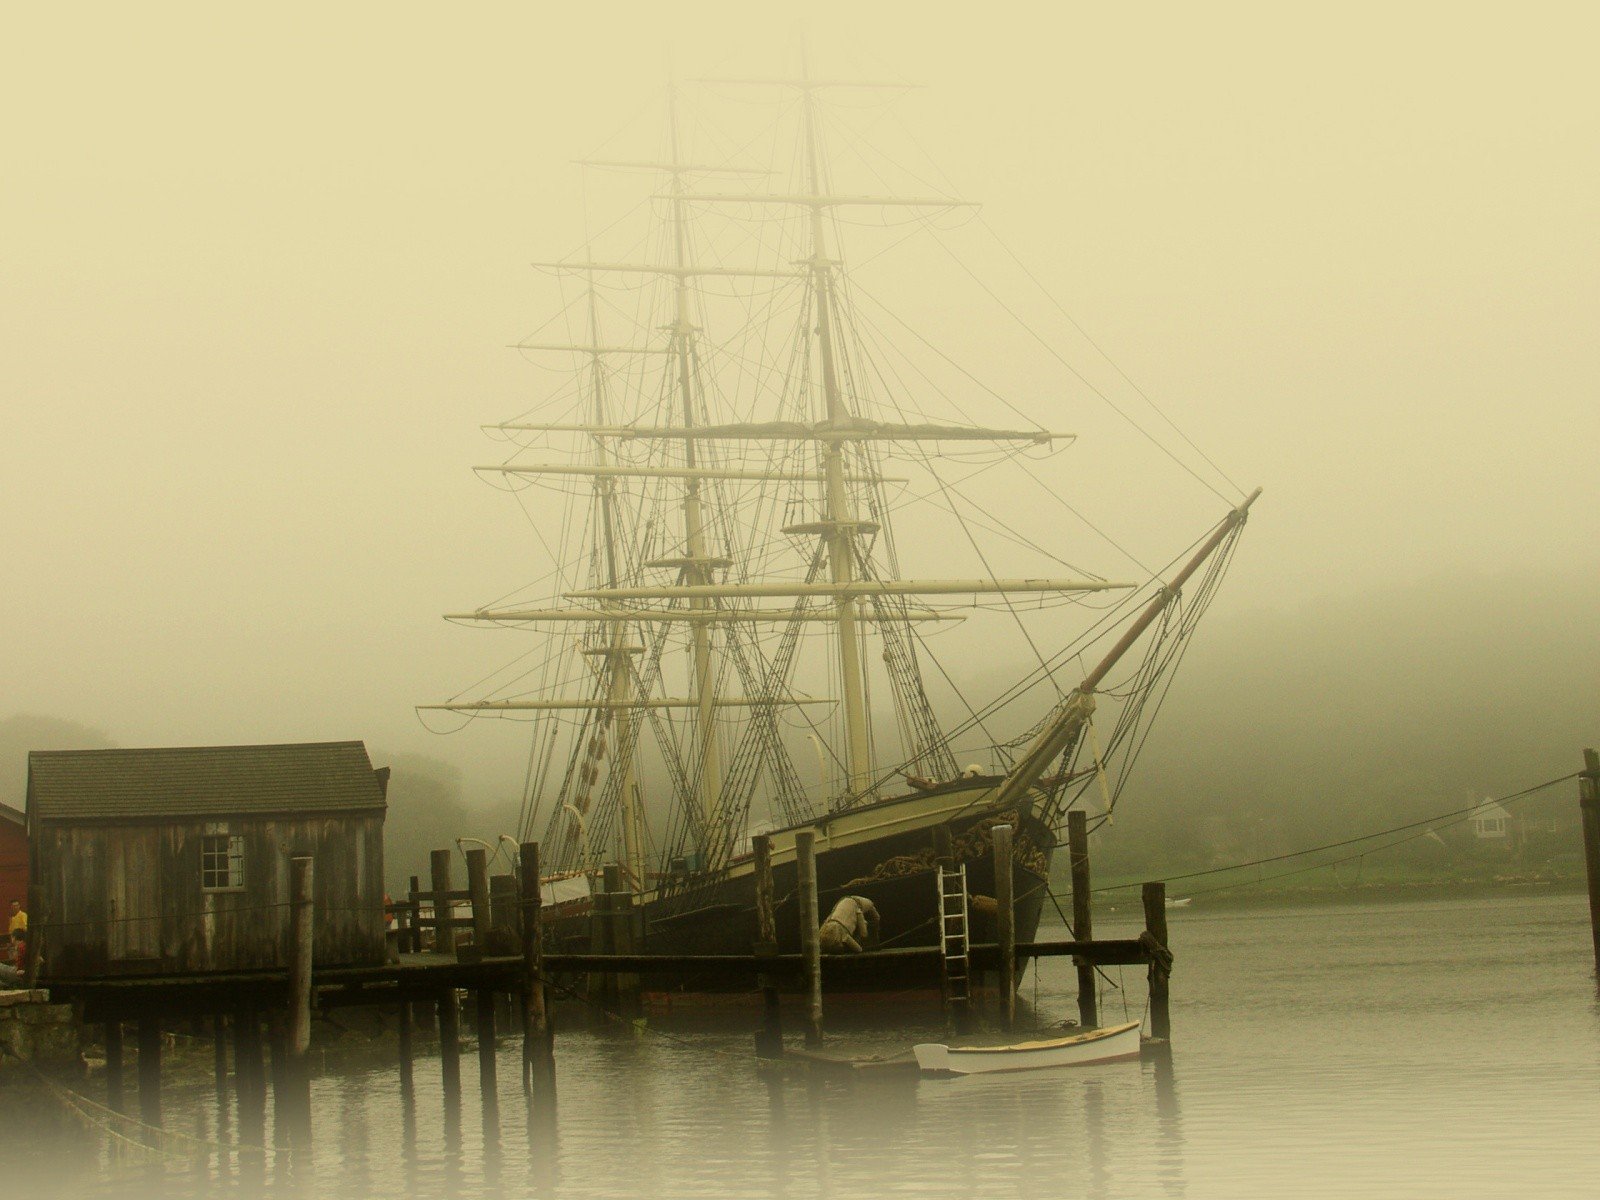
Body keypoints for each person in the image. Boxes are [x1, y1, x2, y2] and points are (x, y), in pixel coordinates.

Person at [8, 900, 27, 971]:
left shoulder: (23, 915)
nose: (16, 907)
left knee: (19, 957)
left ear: (19, 906)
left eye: (17, 905)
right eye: (14, 906)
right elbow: (10, 930)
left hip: (19, 939)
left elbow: (25, 928)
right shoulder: (12, 918)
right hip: (13, 941)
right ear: (11, 907)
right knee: (13, 959)